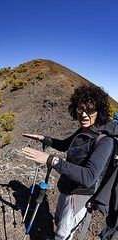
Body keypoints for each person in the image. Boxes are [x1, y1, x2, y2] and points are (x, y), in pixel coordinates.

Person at [21, 85, 117, 240]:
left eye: (90, 110)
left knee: (63, 235)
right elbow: (65, 145)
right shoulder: (84, 130)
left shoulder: (104, 141)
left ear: (99, 111)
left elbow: (89, 177)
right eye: (80, 109)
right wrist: (44, 138)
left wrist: (51, 159)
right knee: (59, 222)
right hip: (66, 188)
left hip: (80, 196)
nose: (84, 115)